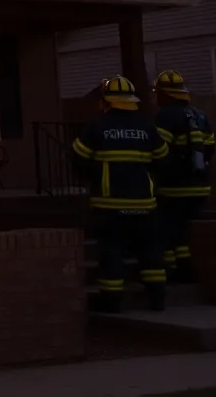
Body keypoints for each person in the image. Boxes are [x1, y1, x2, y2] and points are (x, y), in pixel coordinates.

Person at [73, 75, 170, 313]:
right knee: (150, 251)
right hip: (144, 204)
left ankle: (112, 301)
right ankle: (157, 299)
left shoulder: (97, 126)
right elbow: (163, 158)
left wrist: (94, 177)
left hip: (109, 205)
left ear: (107, 101)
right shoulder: (146, 126)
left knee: (111, 250)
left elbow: (78, 159)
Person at [152, 70, 216, 283]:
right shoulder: (199, 115)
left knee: (167, 228)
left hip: (174, 186)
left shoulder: (165, 116)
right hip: (201, 185)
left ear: (165, 94)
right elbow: (210, 148)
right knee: (188, 229)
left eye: (158, 93)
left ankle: (176, 269)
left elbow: (160, 150)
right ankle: (189, 268)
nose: (156, 97)